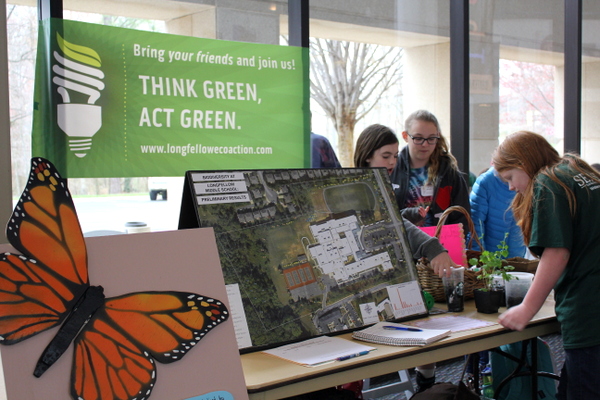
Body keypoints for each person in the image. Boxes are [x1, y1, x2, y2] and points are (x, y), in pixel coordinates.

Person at [493, 130, 600, 400]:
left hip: (589, 313)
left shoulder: (547, 181)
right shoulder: (579, 170)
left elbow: (556, 252)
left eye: (509, 178)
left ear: (523, 163)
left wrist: (527, 308)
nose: (510, 187)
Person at [355, 124, 457, 393]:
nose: (392, 161)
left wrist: (408, 216)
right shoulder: (361, 185)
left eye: (394, 155)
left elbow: (391, 217)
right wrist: (431, 246)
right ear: (367, 155)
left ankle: (426, 387)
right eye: (386, 156)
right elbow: (386, 222)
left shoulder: (378, 182)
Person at [390, 110, 471, 228]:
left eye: (431, 138)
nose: (425, 144)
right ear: (405, 136)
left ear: (437, 136)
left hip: (439, 242)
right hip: (403, 242)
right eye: (418, 138)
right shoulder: (392, 169)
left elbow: (462, 217)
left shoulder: (449, 173)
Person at [469, 165, 527, 259]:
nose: (511, 187)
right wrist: (478, 258)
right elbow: (476, 224)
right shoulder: (485, 181)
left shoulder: (524, 180)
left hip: (518, 256)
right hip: (488, 259)